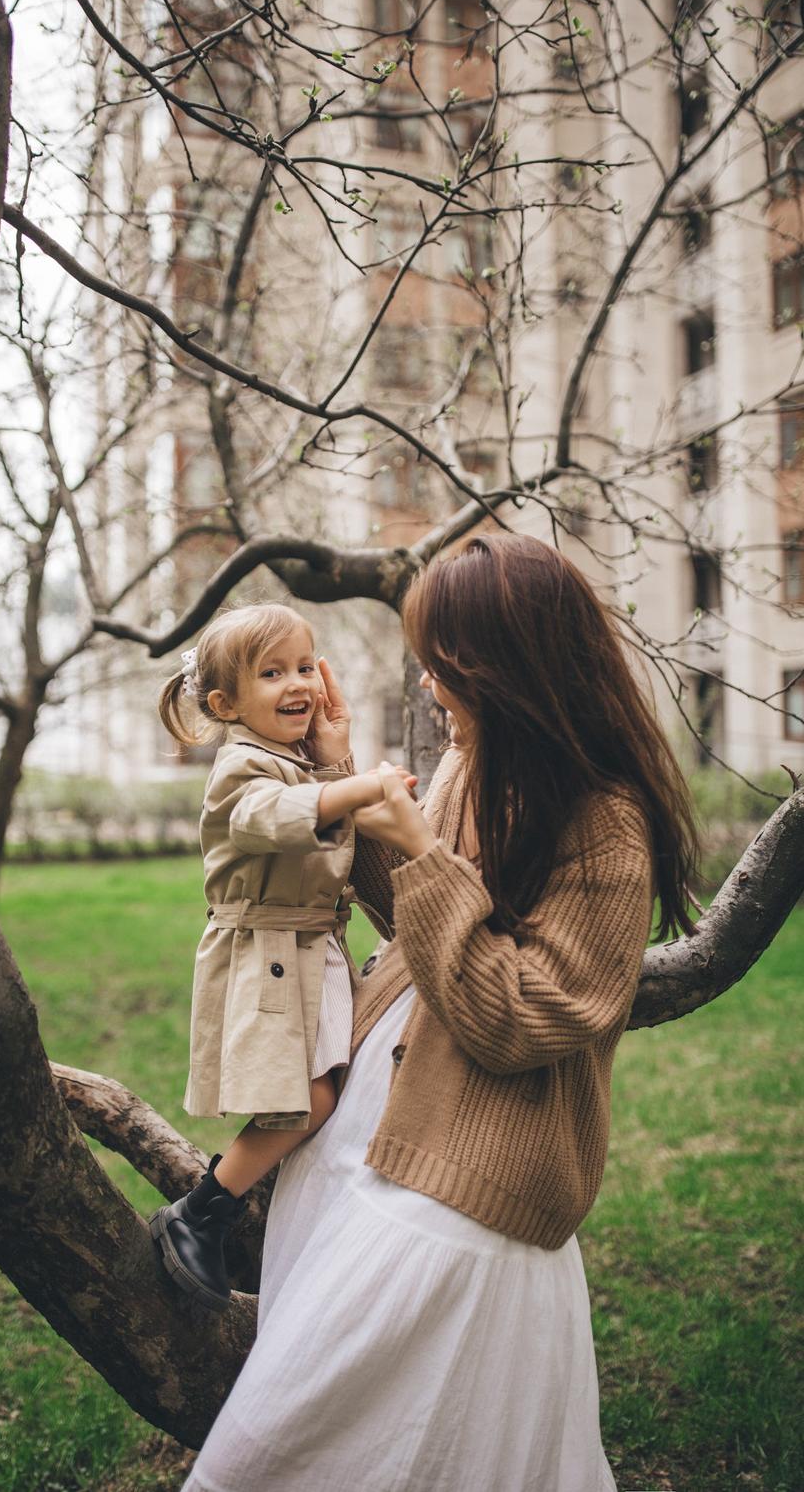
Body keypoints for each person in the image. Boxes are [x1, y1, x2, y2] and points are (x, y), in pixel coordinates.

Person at [182, 534, 698, 1492]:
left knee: (284, 1449)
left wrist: (419, 848)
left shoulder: (606, 817)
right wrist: (345, 780)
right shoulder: (475, 759)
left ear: (504, 668)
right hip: (363, 1135)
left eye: (442, 660)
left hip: (469, 1168)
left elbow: (516, 1018)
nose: (426, 681)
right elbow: (424, 925)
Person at [151, 603, 409, 1310]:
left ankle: (248, 1215)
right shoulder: (242, 767)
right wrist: (358, 785)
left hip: (311, 949)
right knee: (308, 1097)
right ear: (225, 703)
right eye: (272, 673)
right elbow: (272, 817)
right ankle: (202, 1211)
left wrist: (336, 761)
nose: (297, 683)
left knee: (330, 1090)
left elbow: (334, 822)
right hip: (268, 955)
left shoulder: (295, 759)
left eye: (303, 666)